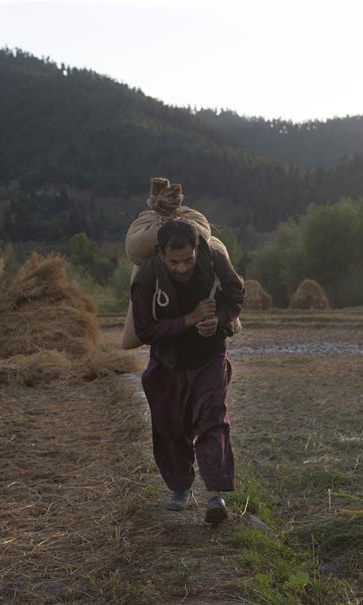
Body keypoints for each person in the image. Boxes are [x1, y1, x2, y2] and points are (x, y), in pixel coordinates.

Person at [131, 217, 245, 524]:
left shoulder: (214, 260)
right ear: (161, 254)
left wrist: (218, 320)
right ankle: (180, 489)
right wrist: (190, 320)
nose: (181, 268)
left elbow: (235, 296)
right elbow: (144, 330)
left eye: (188, 260)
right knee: (169, 427)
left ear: (198, 249)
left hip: (209, 357)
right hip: (168, 363)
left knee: (212, 419)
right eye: (174, 262)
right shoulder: (146, 278)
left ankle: (215, 495)